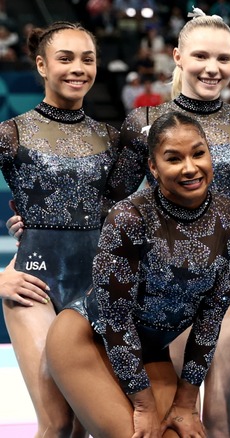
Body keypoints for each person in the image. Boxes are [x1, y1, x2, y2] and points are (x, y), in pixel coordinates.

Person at [45, 111, 230, 437]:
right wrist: (144, 405)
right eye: (174, 158)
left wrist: (186, 402)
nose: (190, 167)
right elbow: (116, 321)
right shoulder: (128, 217)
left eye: (198, 153)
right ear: (153, 168)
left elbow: (210, 318)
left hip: (151, 349)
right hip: (88, 337)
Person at [120, 8, 230, 436]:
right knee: (176, 420)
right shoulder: (143, 124)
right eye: (201, 56)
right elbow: (113, 203)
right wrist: (28, 222)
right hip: (168, 291)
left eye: (223, 59)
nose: (212, 68)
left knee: (222, 422)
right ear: (177, 57)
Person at [0, 21, 138, 437]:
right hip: (34, 286)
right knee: (57, 420)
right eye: (65, 58)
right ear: (42, 65)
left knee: (84, 422)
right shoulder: (12, 133)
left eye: (87, 58)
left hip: (95, 286)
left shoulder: (113, 139)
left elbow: (122, 213)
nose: (78, 67)